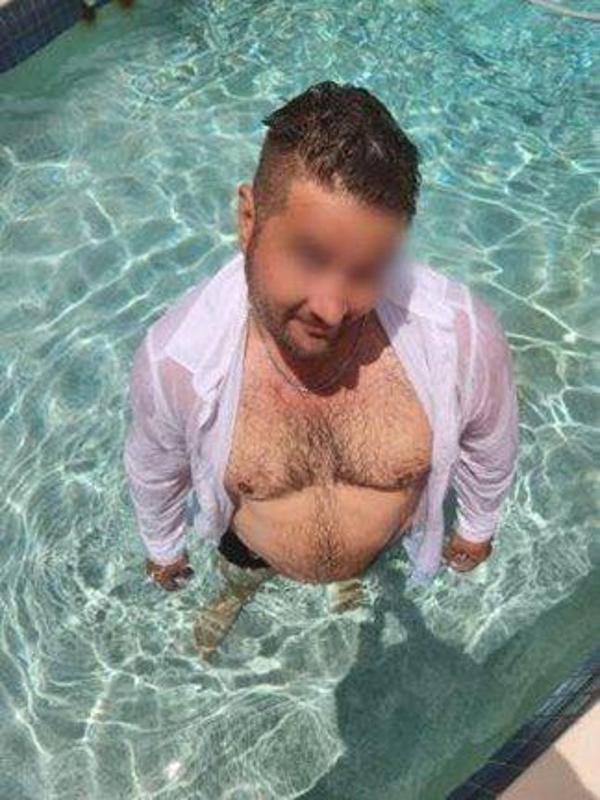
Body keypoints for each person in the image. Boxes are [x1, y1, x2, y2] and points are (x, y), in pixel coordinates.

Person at [123, 80, 520, 660]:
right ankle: (238, 591)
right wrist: (164, 548)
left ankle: (349, 579)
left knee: (363, 571)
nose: (332, 309)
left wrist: (476, 527)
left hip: (385, 543)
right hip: (254, 547)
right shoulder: (177, 360)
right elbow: (155, 467)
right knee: (242, 570)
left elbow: (490, 441)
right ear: (248, 219)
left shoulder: (461, 334)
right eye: (309, 258)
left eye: (366, 270)